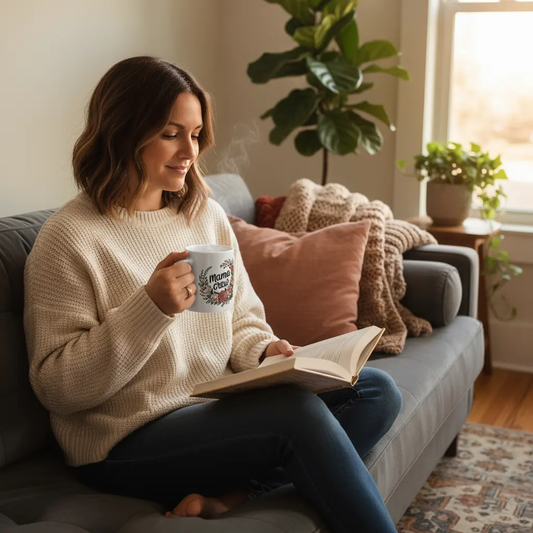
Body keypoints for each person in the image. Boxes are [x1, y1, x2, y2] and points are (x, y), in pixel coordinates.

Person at [22, 56, 402, 533]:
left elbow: (239, 317)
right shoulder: (69, 238)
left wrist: (266, 352)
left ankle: (234, 496)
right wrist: (149, 310)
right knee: (295, 416)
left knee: (376, 393)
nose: (190, 151)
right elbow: (57, 388)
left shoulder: (203, 216)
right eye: (170, 133)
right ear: (123, 132)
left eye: (196, 134)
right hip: (123, 442)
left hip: (210, 416)